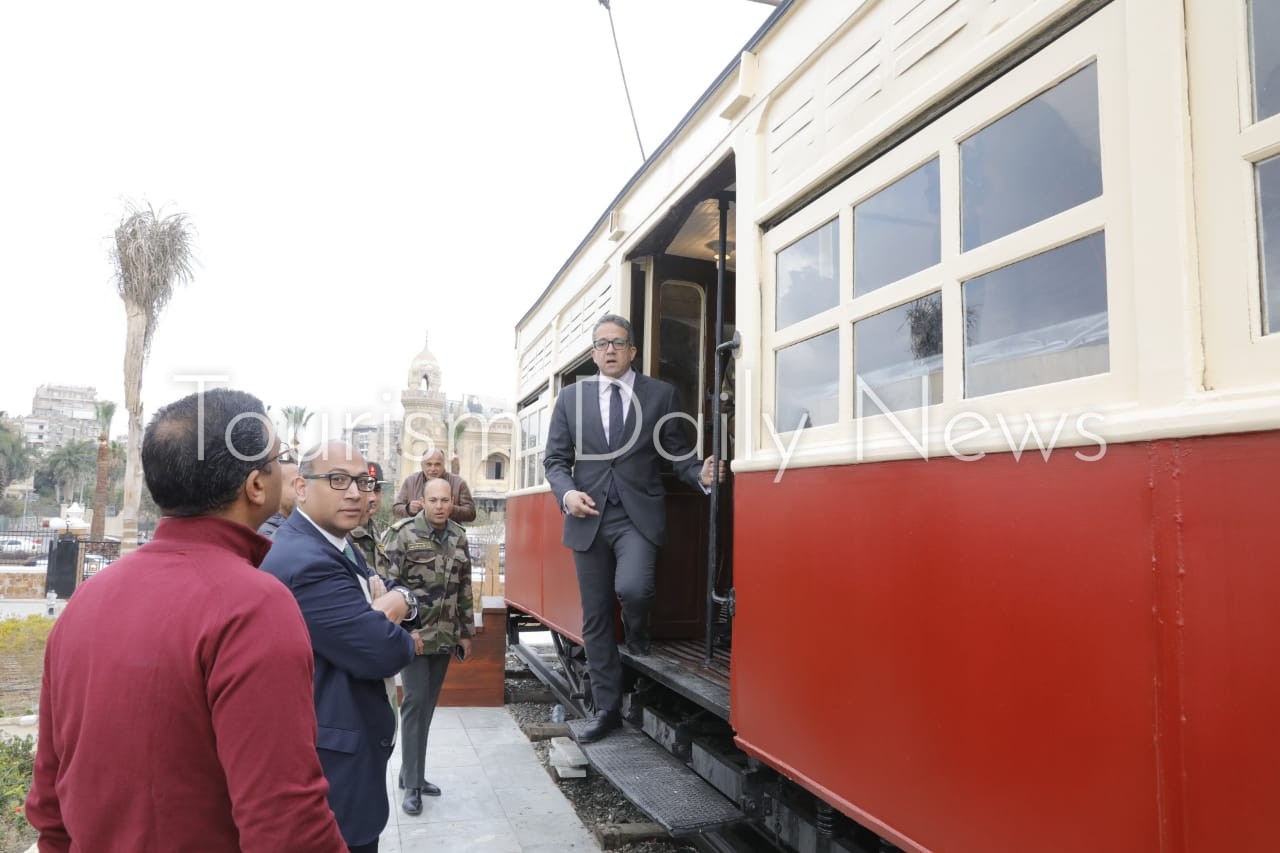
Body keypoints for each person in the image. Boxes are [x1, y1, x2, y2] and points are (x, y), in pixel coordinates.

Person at [25, 389, 346, 852]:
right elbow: (286, 825)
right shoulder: (252, 606)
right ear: (257, 485)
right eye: (283, 457)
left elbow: (51, 810)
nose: (286, 467)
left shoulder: (87, 599)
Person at [543, 313, 722, 743]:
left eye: (618, 343)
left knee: (636, 589)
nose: (610, 350)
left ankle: (638, 631)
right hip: (587, 519)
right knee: (597, 617)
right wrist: (567, 495)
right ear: (593, 353)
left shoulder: (661, 395)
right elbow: (555, 461)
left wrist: (700, 473)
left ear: (632, 351)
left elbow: (676, 451)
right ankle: (607, 710)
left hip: (635, 517)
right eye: (602, 343)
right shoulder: (571, 399)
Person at [261, 440, 417, 853]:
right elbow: (386, 651)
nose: (355, 493)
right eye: (337, 480)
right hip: (331, 775)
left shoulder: (339, 544)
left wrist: (399, 601)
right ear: (300, 487)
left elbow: (397, 595)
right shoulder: (305, 561)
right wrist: (390, 609)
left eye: (362, 482)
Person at [382, 477, 475, 815]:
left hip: (445, 636)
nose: (439, 506)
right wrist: (405, 632)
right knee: (414, 705)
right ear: (422, 500)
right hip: (414, 638)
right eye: (433, 500)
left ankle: (413, 774)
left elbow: (464, 590)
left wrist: (467, 633)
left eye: (445, 500)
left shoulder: (458, 537)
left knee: (428, 707)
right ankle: (412, 785)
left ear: (452, 501)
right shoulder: (401, 534)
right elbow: (386, 586)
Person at [392, 448, 476, 522]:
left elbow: (471, 513)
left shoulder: (458, 483)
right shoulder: (410, 482)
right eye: (429, 464)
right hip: (417, 536)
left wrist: (451, 509)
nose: (433, 469)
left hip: (450, 537)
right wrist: (408, 509)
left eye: (437, 464)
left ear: (444, 465)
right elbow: (396, 509)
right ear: (422, 465)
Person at [349, 461, 389, 575]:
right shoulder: (342, 533)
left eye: (376, 490)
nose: (373, 498)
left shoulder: (373, 529)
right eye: (367, 488)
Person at [257, 446, 299, 538]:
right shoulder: (265, 532)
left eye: (304, 483)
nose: (304, 490)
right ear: (275, 489)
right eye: (295, 484)